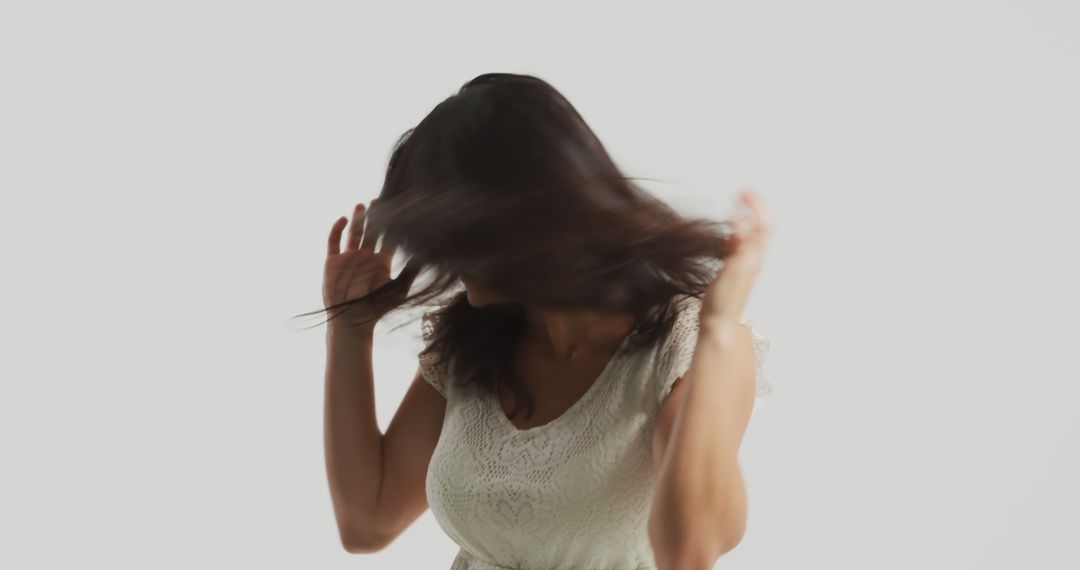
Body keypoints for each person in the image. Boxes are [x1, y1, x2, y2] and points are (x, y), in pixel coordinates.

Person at [310, 73, 774, 569]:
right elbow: (368, 522)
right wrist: (350, 330)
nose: (440, 260)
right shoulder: (473, 341)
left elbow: (688, 552)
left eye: (450, 233)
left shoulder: (683, 348)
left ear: (525, 217)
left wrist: (719, 332)